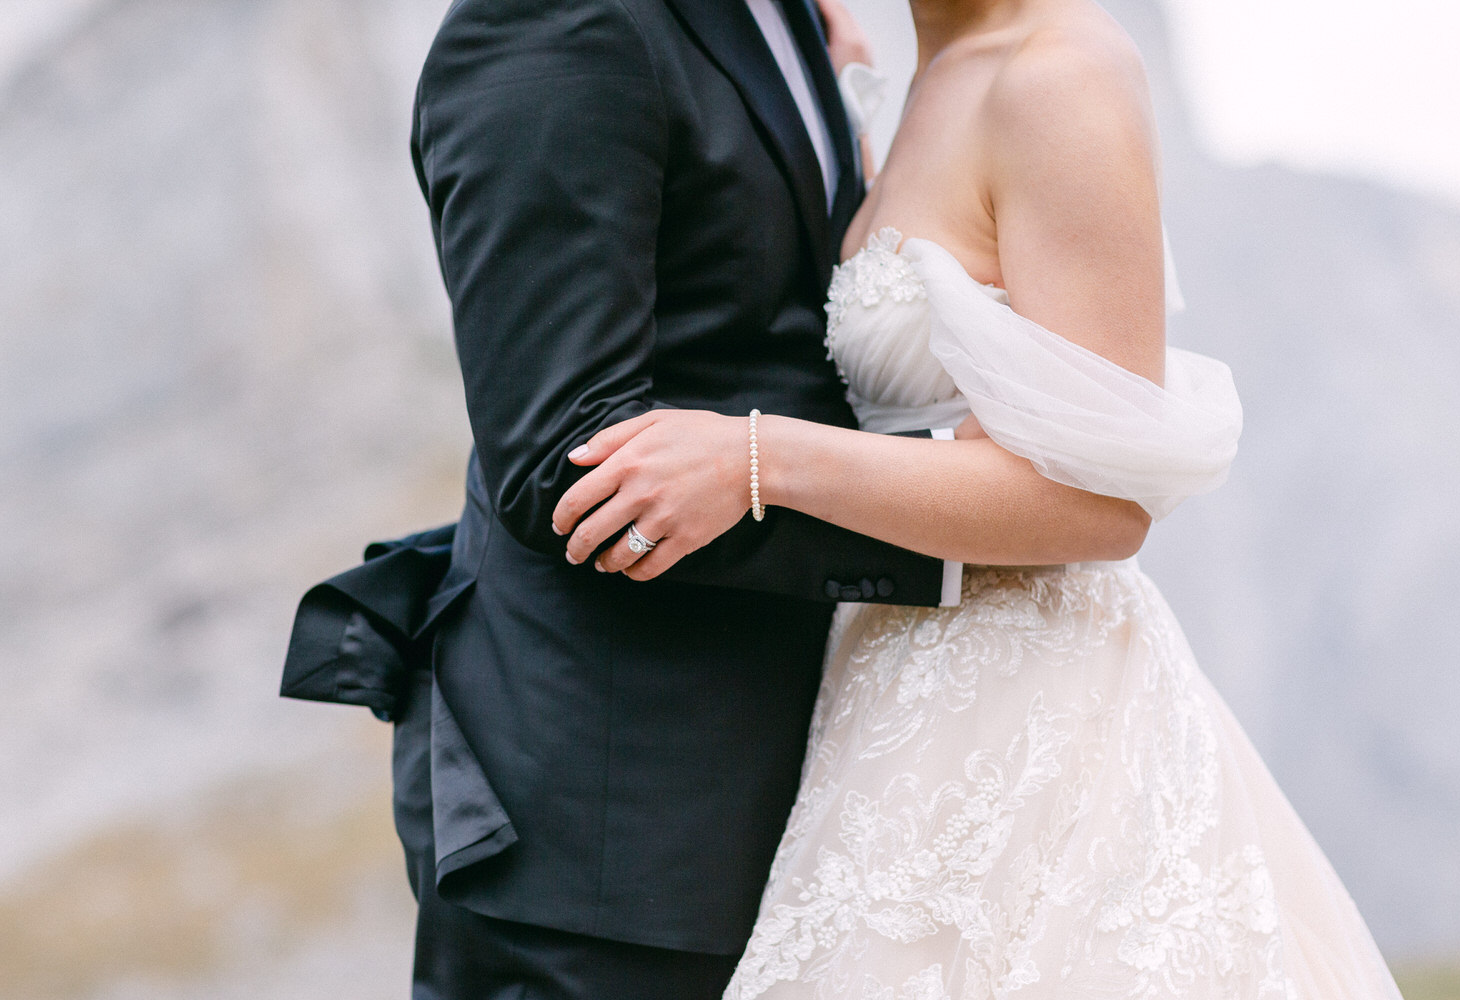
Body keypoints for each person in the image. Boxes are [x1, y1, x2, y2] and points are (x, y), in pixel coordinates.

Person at [551, 0, 1408, 996]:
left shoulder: (1061, 74)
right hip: (889, 681)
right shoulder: (928, 65)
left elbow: (1100, 508)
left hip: (1033, 713)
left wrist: (759, 459)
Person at [277, 0, 1067, 997]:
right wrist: (979, 513)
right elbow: (570, 460)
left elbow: (764, 326)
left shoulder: (788, 20)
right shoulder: (560, 24)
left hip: (801, 785)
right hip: (607, 836)